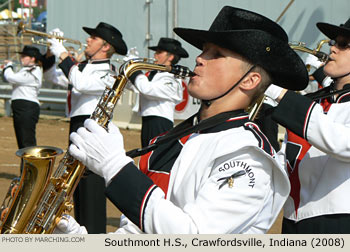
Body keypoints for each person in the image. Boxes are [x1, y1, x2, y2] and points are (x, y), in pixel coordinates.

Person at [55, 6, 309, 234]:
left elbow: (191, 235)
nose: (199, 58)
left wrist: (114, 167)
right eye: (204, 51)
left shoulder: (249, 156)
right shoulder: (185, 134)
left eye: (216, 54)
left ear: (250, 80)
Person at [265, 17, 350, 233]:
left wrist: (275, 91)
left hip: (338, 220)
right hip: (293, 216)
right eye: (334, 42)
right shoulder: (317, 102)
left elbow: (343, 143)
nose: (332, 48)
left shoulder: (307, 107)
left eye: (344, 44)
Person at [48, 22, 128, 234]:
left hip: (94, 129)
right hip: (77, 126)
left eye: (94, 38)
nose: (88, 40)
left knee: (92, 192)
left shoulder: (108, 73)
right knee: (76, 189)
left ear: (106, 47)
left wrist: (62, 51)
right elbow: (53, 78)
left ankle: (94, 237)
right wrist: (51, 54)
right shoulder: (82, 68)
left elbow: (80, 84)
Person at [127, 37, 189, 147]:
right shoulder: (154, 74)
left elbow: (146, 89)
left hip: (160, 123)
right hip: (147, 121)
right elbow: (135, 86)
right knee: (147, 159)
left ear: (170, 57)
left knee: (156, 159)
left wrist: (134, 68)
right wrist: (126, 70)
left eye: (159, 52)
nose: (155, 55)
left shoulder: (171, 78)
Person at [2, 46, 43, 152]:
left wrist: (8, 66)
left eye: (24, 56)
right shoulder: (25, 70)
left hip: (27, 107)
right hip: (21, 108)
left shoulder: (34, 70)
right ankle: (26, 167)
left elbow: (11, 78)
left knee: (27, 142)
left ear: (32, 58)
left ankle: (32, 167)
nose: (21, 58)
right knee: (22, 143)